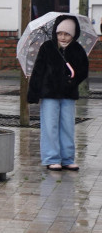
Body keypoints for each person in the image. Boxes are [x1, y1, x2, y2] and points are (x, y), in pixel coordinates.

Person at [28, 16, 89, 171]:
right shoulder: (47, 47)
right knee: (50, 125)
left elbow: (83, 70)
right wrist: (33, 92)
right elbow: (38, 71)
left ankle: (67, 158)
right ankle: (51, 158)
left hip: (68, 94)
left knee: (67, 126)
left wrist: (72, 82)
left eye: (67, 34)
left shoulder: (77, 49)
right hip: (49, 93)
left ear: (73, 35)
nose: (62, 37)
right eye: (60, 33)